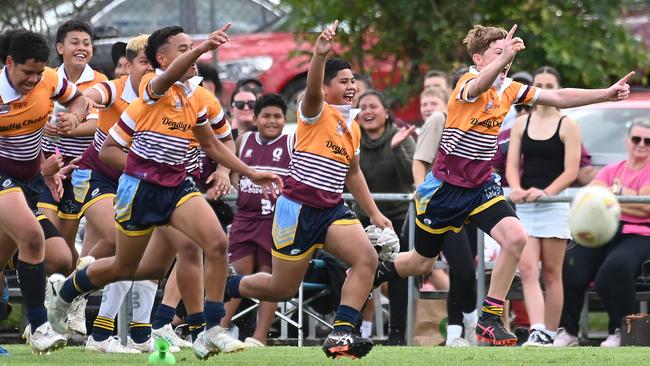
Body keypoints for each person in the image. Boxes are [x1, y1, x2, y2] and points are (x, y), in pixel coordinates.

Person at [373, 23, 634, 346]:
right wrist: (503, 57)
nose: (506, 59)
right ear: (478, 58)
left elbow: (560, 96)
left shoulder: (509, 88)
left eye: (508, 53)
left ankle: (490, 317)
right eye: (498, 53)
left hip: (481, 186)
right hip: (444, 190)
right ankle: (378, 269)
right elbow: (481, 84)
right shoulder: (468, 83)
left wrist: (605, 93)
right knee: (420, 262)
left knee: (516, 236)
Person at [47, 24, 283, 360]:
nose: (192, 54)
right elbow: (111, 147)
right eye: (183, 48)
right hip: (141, 188)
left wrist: (249, 172)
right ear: (162, 59)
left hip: (176, 185)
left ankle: (209, 330)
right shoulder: (153, 86)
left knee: (214, 243)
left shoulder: (194, 98)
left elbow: (212, 143)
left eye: (192, 47)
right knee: (129, 267)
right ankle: (67, 289)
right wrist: (203, 47)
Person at [224, 21, 392, 359]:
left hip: (330, 210)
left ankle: (342, 331)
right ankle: (225, 286)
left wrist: (374, 212)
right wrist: (318, 55)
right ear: (327, 87)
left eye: (352, 81)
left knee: (367, 259)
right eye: (343, 81)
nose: (350, 87)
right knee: (281, 289)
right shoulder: (314, 112)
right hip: (296, 209)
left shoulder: (352, 128)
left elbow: (353, 173)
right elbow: (312, 89)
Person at [0, 29, 90, 354]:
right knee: (32, 237)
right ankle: (38, 327)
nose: (35, 79)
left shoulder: (49, 79)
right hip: (3, 181)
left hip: (28, 186)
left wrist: (74, 117)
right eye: (27, 72)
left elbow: (80, 99)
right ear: (9, 62)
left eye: (39, 72)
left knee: (60, 257)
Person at [555, 118, 650, 348]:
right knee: (571, 265)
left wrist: (610, 197)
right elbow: (592, 196)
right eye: (636, 139)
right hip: (604, 230)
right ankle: (568, 331)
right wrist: (625, 196)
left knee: (614, 270)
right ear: (627, 141)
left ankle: (619, 329)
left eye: (648, 141)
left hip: (639, 233)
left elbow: (646, 207)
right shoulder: (612, 169)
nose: (641, 144)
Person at [506, 66, 582, 346]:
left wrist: (546, 193)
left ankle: (550, 332)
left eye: (550, 84)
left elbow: (571, 171)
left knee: (552, 272)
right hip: (525, 205)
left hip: (553, 204)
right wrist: (515, 188)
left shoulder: (567, 124)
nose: (544, 89)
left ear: (558, 88)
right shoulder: (521, 123)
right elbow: (512, 166)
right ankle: (538, 329)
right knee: (527, 269)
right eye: (539, 84)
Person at [219, 93, 293, 347]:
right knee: (236, 275)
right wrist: (227, 179)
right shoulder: (243, 140)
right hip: (245, 220)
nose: (272, 121)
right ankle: (218, 330)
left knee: (269, 278)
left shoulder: (291, 143)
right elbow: (227, 167)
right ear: (256, 118)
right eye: (266, 116)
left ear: (285, 119)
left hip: (276, 223)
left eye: (277, 116)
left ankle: (259, 337)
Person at [412, 85, 479, 347]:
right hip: (442, 207)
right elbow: (420, 161)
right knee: (459, 267)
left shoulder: (479, 122)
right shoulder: (440, 119)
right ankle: (468, 324)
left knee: (465, 273)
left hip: (470, 206)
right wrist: (423, 196)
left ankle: (455, 334)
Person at [355, 90, 415, 345]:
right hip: (361, 219)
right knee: (357, 272)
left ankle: (397, 334)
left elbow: (410, 177)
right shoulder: (352, 139)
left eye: (373, 106)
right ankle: (354, 330)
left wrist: (396, 148)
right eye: (362, 107)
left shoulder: (400, 136)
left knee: (397, 275)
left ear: (386, 112)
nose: (367, 111)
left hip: (397, 219)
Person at [40, 20, 107, 231]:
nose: (81, 48)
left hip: (82, 166)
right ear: (60, 48)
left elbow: (97, 124)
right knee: (49, 230)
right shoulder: (46, 78)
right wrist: (43, 125)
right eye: (75, 42)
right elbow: (34, 115)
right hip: (49, 163)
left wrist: (67, 128)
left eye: (86, 44)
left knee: (68, 237)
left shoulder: (100, 81)